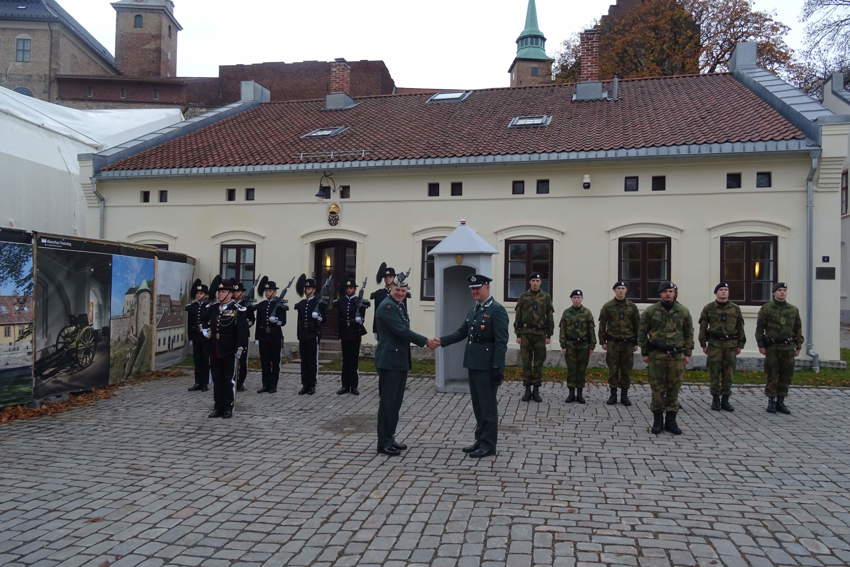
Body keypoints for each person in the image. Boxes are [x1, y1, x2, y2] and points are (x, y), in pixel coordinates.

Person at [436, 274, 509, 458]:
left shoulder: (497, 310)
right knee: (478, 405)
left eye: (478, 288)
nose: (474, 292)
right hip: (473, 364)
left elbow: (501, 342)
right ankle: (480, 439)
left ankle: (489, 445)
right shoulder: (474, 310)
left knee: (488, 406)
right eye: (472, 289)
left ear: (487, 287)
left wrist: (498, 368)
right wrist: (440, 341)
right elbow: (462, 332)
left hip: (487, 367)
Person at [374, 275, 431, 456]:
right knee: (388, 403)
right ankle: (383, 443)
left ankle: (390, 437)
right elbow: (402, 331)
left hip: (397, 361)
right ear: (390, 289)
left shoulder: (398, 305)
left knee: (395, 403)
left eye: (403, 291)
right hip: (390, 362)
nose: (400, 293)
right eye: (397, 290)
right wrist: (426, 341)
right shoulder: (388, 306)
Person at [638, 281, 693, 435]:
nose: (668, 294)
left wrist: (687, 353)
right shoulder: (651, 311)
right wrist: (645, 352)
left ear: (675, 293)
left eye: (671, 291)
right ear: (660, 294)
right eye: (665, 291)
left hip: (676, 356)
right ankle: (657, 421)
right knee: (657, 389)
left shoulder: (683, 311)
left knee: (674, 389)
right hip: (657, 355)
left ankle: (671, 421)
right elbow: (642, 333)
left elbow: (689, 333)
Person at [200, 279, 250, 419]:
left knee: (229, 380)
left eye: (223, 292)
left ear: (230, 294)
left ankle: (228, 407)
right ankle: (218, 407)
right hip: (215, 350)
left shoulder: (238, 310)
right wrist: (204, 331)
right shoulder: (213, 308)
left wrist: (240, 349)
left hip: (229, 351)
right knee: (217, 379)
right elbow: (202, 320)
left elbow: (242, 332)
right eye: (219, 291)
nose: (220, 294)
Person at [756, 282, 803, 414]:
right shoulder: (766, 308)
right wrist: (761, 345)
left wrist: (798, 345)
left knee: (786, 375)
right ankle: (771, 401)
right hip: (772, 347)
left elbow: (797, 329)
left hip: (788, 347)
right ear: (774, 293)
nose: (782, 292)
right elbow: (760, 329)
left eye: (784, 290)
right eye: (779, 290)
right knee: (772, 374)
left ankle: (781, 402)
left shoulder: (793, 310)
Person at [698, 282, 745, 411]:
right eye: (721, 290)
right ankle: (715, 399)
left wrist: (741, 344)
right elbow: (703, 327)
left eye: (726, 290)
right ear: (716, 293)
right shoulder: (709, 308)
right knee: (714, 373)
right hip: (715, 345)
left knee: (728, 373)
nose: (724, 292)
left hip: (730, 346)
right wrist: (703, 344)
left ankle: (725, 400)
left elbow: (740, 327)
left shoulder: (735, 308)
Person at [513, 272, 554, 403]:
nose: (535, 283)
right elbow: (518, 316)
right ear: (529, 282)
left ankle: (536, 390)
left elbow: (550, 317)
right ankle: (527, 390)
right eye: (533, 281)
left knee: (538, 363)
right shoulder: (523, 296)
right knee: (526, 363)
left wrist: (549, 334)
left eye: (537, 280)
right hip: (525, 334)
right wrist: (518, 334)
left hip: (540, 334)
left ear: (540, 282)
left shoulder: (546, 297)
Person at [598, 281, 640, 406]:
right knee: (613, 369)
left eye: (623, 288)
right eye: (618, 288)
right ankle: (613, 394)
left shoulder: (632, 306)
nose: (620, 291)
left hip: (628, 343)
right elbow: (602, 325)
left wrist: (636, 342)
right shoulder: (608, 306)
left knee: (626, 369)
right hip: (613, 343)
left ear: (626, 290)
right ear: (614, 290)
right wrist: (602, 341)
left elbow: (637, 325)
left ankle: (624, 395)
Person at [559, 289, 596, 404]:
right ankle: (571, 393)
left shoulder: (587, 313)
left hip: (584, 345)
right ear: (571, 299)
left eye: (578, 298)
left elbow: (591, 330)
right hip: (570, 345)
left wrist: (592, 346)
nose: (576, 300)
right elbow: (562, 330)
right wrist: (563, 345)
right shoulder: (566, 313)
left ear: (582, 299)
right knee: (571, 369)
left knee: (581, 369)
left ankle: (579, 394)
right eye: (574, 297)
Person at [334, 277, 369, 395]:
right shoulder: (341, 301)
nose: (349, 290)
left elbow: (362, 315)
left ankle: (354, 386)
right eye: (348, 288)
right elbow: (339, 317)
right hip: (345, 333)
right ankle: (345, 385)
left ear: (354, 289)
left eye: (351, 288)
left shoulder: (359, 301)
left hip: (355, 333)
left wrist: (360, 320)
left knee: (353, 361)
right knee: (345, 361)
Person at [293, 277, 325, 395]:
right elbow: (299, 321)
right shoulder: (302, 304)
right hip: (303, 336)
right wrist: (298, 335)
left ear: (314, 290)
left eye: (310, 288)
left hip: (312, 335)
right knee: (304, 361)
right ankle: (304, 384)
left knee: (312, 362)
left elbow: (324, 319)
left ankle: (312, 385)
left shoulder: (318, 303)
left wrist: (319, 317)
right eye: (306, 288)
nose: (307, 290)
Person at [254, 280, 286, 393]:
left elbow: (283, 322)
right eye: (266, 291)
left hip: (275, 336)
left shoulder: (280, 304)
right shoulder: (262, 305)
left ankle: (273, 385)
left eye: (270, 290)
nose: (267, 293)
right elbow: (258, 322)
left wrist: (276, 320)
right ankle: (265, 384)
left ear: (275, 292)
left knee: (275, 361)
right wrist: (257, 337)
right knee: (265, 361)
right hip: (263, 336)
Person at [185, 280, 210, 392]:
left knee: (205, 360)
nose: (198, 295)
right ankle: (197, 382)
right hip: (195, 336)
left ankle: (204, 383)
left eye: (201, 293)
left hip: (205, 337)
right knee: (197, 360)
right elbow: (189, 323)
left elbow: (210, 322)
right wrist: (190, 338)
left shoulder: (209, 306)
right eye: (197, 293)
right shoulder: (192, 307)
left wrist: (209, 334)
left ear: (205, 295)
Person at [232, 282, 255, 392]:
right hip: (232, 336)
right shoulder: (231, 304)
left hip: (243, 336)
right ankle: (232, 380)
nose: (236, 294)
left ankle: (240, 382)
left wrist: (246, 324)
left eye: (239, 292)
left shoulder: (247, 305)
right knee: (231, 360)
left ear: (243, 293)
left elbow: (252, 320)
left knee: (242, 361)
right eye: (235, 292)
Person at [370, 266, 397, 340]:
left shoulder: (399, 293)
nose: (388, 279)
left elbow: (404, 313)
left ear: (394, 277)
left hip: (395, 328)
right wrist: (375, 329)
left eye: (390, 276)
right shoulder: (378, 294)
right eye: (386, 277)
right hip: (382, 328)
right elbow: (376, 312)